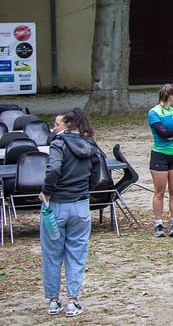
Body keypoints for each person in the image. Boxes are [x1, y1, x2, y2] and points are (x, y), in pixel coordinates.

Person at [40, 108, 102, 318]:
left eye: (58, 124)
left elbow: (54, 168)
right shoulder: (90, 144)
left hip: (57, 203)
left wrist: (47, 191)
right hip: (80, 205)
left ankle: (54, 300)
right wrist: (86, 188)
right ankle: (73, 300)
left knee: (52, 253)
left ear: (68, 124)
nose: (55, 128)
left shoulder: (58, 144)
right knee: (77, 253)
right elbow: (97, 172)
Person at [148, 84, 173, 237]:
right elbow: (162, 133)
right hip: (160, 154)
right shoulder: (154, 112)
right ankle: (158, 223)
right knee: (159, 191)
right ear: (170, 96)